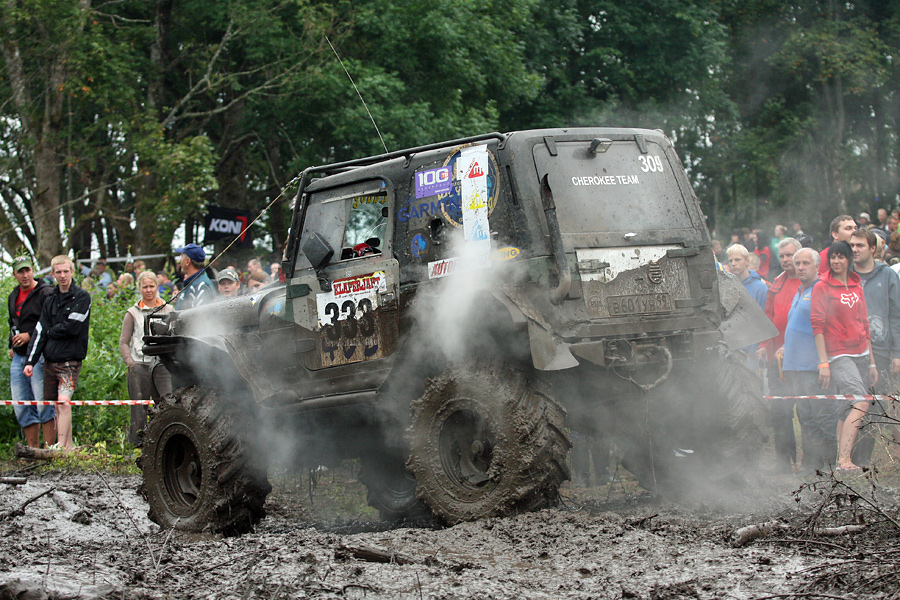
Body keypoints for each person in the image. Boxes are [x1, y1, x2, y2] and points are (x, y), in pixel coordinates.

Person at [811, 241, 877, 471]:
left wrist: (872, 362)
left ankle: (841, 459)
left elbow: (865, 323)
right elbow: (817, 326)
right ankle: (844, 460)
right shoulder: (822, 286)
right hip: (838, 355)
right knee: (861, 401)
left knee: (847, 407)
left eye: (841, 257)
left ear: (849, 259)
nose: (836, 261)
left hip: (861, 353)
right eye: (833, 257)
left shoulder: (857, 285)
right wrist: (823, 362)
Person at [23, 255, 91, 450]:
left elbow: (72, 327)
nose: (62, 275)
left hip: (71, 361)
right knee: (56, 405)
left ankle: (60, 447)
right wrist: (30, 361)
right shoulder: (50, 300)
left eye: (66, 271)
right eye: (58, 272)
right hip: (50, 360)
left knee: (63, 402)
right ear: (52, 273)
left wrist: (51, 331)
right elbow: (39, 331)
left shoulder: (82, 297)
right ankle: (67, 447)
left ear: (72, 272)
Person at [779, 248, 837, 472]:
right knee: (805, 418)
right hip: (795, 365)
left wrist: (824, 362)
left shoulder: (821, 289)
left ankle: (830, 466)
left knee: (823, 417)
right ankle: (812, 466)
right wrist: (786, 346)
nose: (800, 267)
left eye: (805, 263)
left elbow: (826, 327)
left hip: (813, 365)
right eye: (798, 263)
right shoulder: (800, 290)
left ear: (817, 266)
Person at [849, 229, 900, 466]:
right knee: (849, 403)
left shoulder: (887, 275)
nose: (855, 250)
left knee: (874, 405)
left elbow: (896, 316)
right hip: (849, 349)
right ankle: (847, 457)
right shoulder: (846, 275)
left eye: (860, 245)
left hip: (879, 349)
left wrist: (897, 353)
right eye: (852, 245)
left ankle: (864, 459)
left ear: (872, 248)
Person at [759, 238, 804, 473]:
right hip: (776, 361)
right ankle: (783, 463)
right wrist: (763, 346)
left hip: (804, 361)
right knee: (780, 413)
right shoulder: (776, 283)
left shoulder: (811, 283)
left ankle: (812, 465)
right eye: (783, 255)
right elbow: (767, 318)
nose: (786, 259)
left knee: (807, 413)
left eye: (790, 255)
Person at [119, 271, 173, 446]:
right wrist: (131, 364)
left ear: (157, 287)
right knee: (139, 410)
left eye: (152, 286)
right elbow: (123, 341)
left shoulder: (169, 309)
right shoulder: (132, 312)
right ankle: (137, 446)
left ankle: (165, 443)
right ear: (139, 288)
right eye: (145, 287)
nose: (149, 290)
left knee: (167, 404)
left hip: (162, 365)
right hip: (140, 365)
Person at [7, 255, 55, 448]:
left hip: (40, 355)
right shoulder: (13, 295)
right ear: (14, 274)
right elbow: (12, 323)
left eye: (27, 270)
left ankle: (49, 452)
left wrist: (29, 335)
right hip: (19, 356)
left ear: (33, 271)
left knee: (44, 405)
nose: (25, 275)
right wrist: (12, 345)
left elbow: (51, 322)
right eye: (21, 271)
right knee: (21, 405)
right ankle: (32, 451)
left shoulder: (45, 293)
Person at [174, 244, 216, 309]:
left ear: (187, 261)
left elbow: (201, 313)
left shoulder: (201, 285)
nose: (180, 261)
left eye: (181, 257)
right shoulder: (192, 282)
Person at [727, 244, 768, 308]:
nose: (733, 264)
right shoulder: (728, 286)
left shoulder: (760, 288)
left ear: (747, 261)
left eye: (737, 260)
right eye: (730, 261)